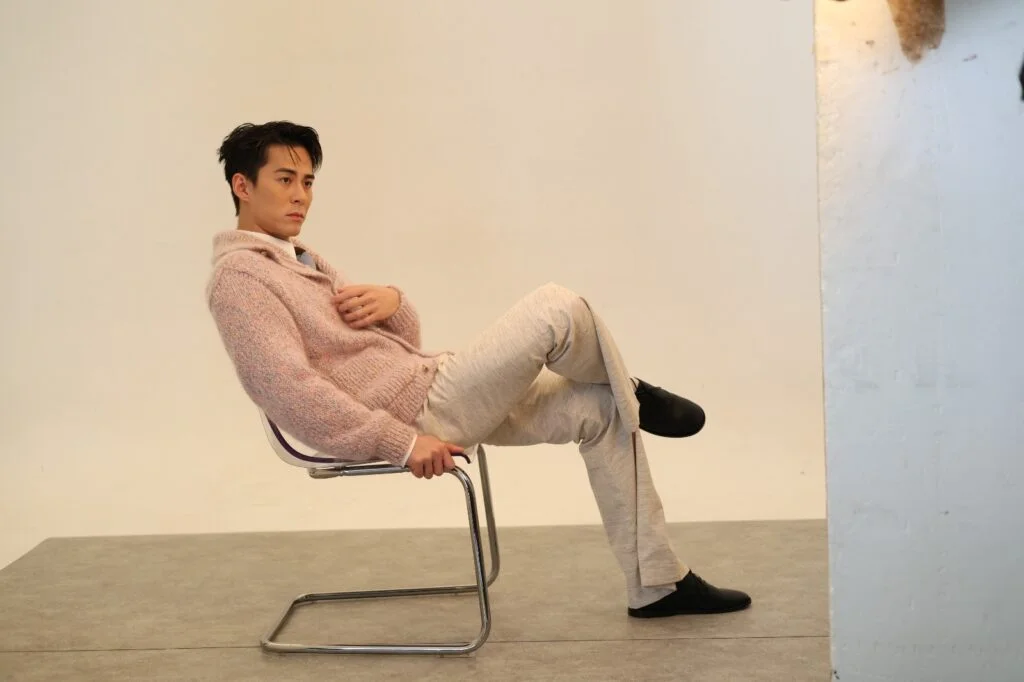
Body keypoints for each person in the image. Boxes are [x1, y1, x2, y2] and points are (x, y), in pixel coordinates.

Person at [206, 121, 751, 618]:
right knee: (555, 308)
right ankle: (630, 386)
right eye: (285, 179)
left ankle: (658, 585)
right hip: (418, 413)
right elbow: (287, 390)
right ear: (242, 186)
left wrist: (395, 302)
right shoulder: (241, 279)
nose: (301, 195)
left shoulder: (300, 258)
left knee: (605, 410)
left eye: (307, 181)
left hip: (429, 386)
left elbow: (399, 347)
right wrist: (400, 442)